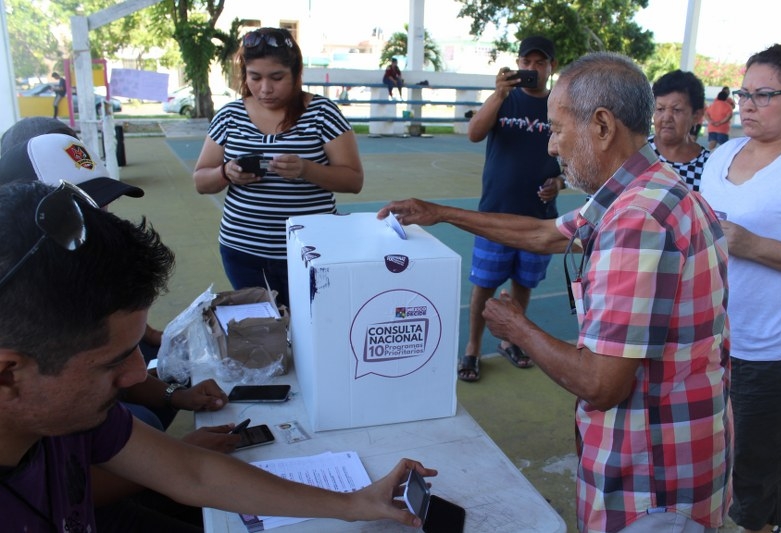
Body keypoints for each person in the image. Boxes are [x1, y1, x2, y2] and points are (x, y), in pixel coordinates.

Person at [378, 51, 731, 532]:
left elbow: (602, 384)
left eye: (558, 129)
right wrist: (441, 212)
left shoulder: (634, 222)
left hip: (650, 483)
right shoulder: (649, 190)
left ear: (602, 126)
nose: (551, 146)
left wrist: (517, 328)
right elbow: (544, 234)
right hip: (679, 460)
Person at [0, 179, 436, 532]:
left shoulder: (69, 416)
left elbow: (192, 473)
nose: (139, 372)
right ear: (7, 372)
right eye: (113, 362)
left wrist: (354, 503)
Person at [700, 43, 781, 533]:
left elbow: (741, 240)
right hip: (708, 341)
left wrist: (752, 244)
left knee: (755, 474)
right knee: (709, 462)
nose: (747, 104)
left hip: (768, 351)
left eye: (764, 95)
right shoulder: (723, 154)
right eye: (744, 93)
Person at [193, 27, 363, 309]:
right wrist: (226, 172)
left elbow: (354, 180)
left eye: (277, 78)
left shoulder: (322, 112)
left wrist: (306, 169)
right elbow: (201, 181)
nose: (265, 88)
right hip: (242, 251)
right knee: (262, 331)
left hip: (310, 251)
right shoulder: (230, 115)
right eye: (255, 77)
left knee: (312, 329)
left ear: (296, 74)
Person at [458, 35, 563, 382]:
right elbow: (474, 133)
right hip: (495, 215)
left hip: (538, 218)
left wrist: (560, 183)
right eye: (526, 62)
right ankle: (473, 348)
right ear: (517, 64)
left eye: (540, 63)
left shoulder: (559, 107)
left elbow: (572, 156)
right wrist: (499, 94)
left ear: (552, 67)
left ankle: (511, 341)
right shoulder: (504, 99)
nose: (532, 69)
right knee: (483, 287)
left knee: (523, 285)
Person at [649, 69, 711, 191]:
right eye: (660, 109)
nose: (666, 118)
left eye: (676, 110)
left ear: (697, 115)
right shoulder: (637, 152)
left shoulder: (709, 166)